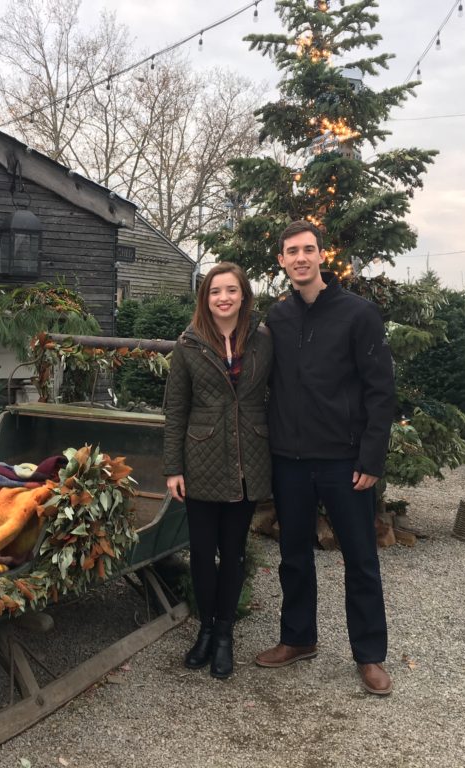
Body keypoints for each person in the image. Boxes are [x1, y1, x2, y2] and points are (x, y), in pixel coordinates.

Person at [255, 220, 397, 696]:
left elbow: (381, 391)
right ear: (281, 261)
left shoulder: (358, 314)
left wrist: (371, 458)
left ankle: (370, 655)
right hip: (289, 459)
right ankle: (298, 639)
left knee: (360, 559)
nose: (300, 258)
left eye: (308, 250)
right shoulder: (277, 318)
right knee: (294, 556)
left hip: (344, 461)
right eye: (291, 251)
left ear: (322, 256)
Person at [163, 262, 273, 679]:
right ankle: (205, 630)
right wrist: (173, 467)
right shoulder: (189, 344)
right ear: (204, 298)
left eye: (230, 290)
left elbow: (279, 393)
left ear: (243, 295)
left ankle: (225, 634)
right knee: (203, 556)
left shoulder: (263, 341)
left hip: (249, 459)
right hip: (202, 460)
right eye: (214, 292)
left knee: (234, 553)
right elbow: (175, 408)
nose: (222, 298)